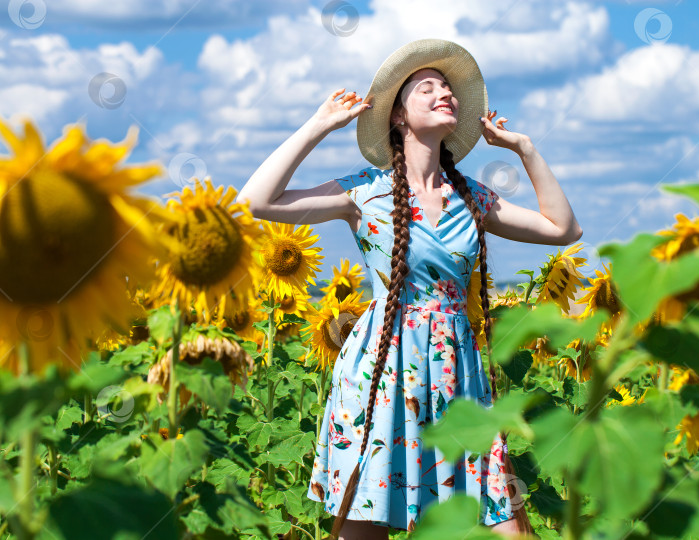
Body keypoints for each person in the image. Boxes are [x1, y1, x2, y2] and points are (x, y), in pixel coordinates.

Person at [237, 38, 582, 540]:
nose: (446, 92)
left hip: (457, 378)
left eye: (448, 87)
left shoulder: (471, 198)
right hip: (382, 374)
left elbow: (563, 230)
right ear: (398, 117)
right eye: (429, 86)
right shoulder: (363, 191)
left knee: (506, 525)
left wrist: (524, 148)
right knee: (366, 528)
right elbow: (255, 202)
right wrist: (318, 125)